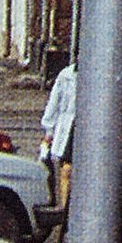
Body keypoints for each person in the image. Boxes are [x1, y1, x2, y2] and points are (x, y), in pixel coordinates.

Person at [38, 46, 76, 209]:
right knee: (66, 170)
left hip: (88, 129)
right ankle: (64, 208)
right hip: (69, 127)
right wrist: (49, 131)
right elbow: (54, 103)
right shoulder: (67, 75)